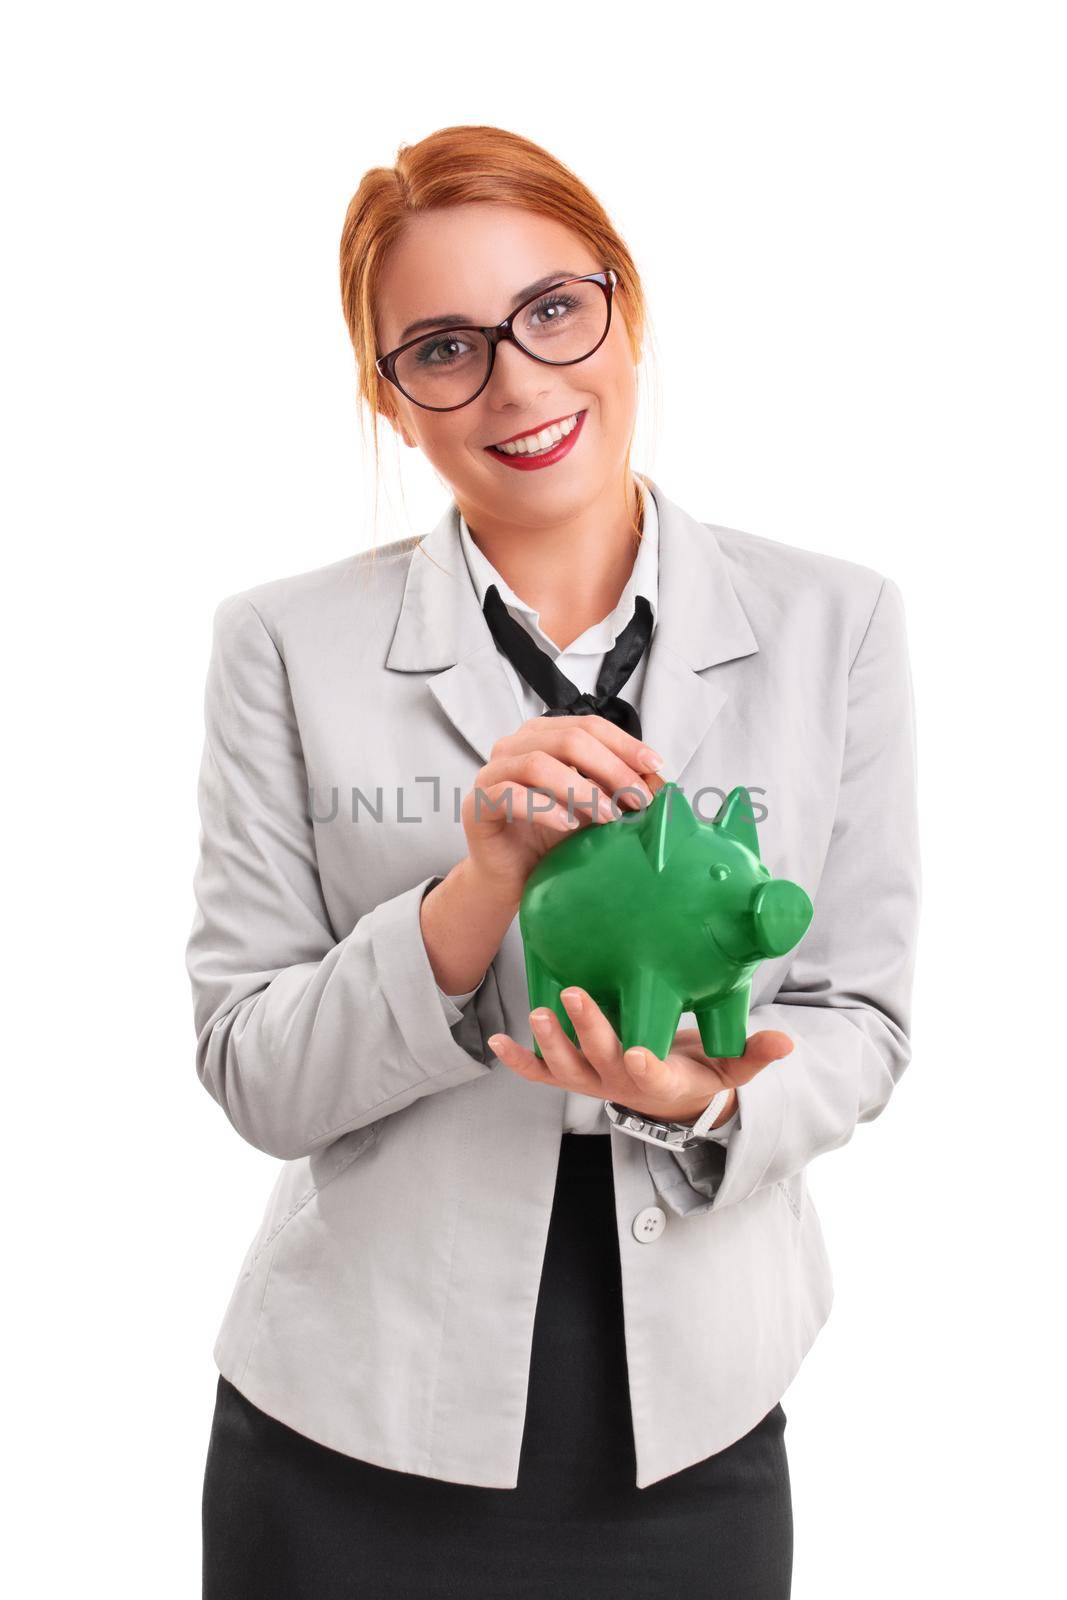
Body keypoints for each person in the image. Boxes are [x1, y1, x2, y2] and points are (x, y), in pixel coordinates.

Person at [190, 124, 921, 1600]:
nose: (518, 382)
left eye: (553, 311)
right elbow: (254, 1068)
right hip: (347, 1431)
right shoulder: (282, 644)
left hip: (695, 1435)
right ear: (392, 402)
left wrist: (710, 1094)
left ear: (625, 308)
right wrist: (471, 897)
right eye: (442, 348)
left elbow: (862, 1013)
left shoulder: (834, 621)